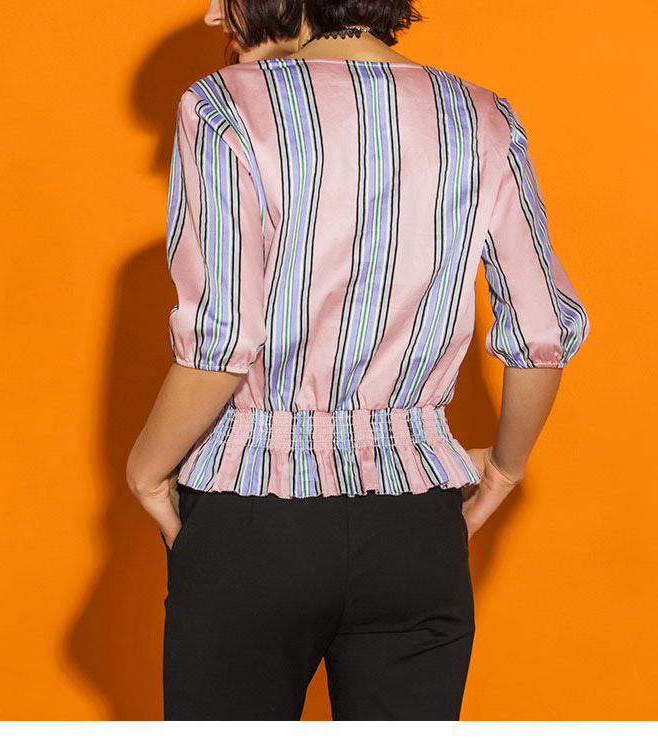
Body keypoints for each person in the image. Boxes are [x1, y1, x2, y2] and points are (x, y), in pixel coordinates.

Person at [126, 0, 591, 721]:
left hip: (253, 515)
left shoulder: (223, 107)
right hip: (417, 525)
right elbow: (542, 328)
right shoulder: (484, 118)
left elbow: (224, 340)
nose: (216, 13)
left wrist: (146, 471)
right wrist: (503, 469)